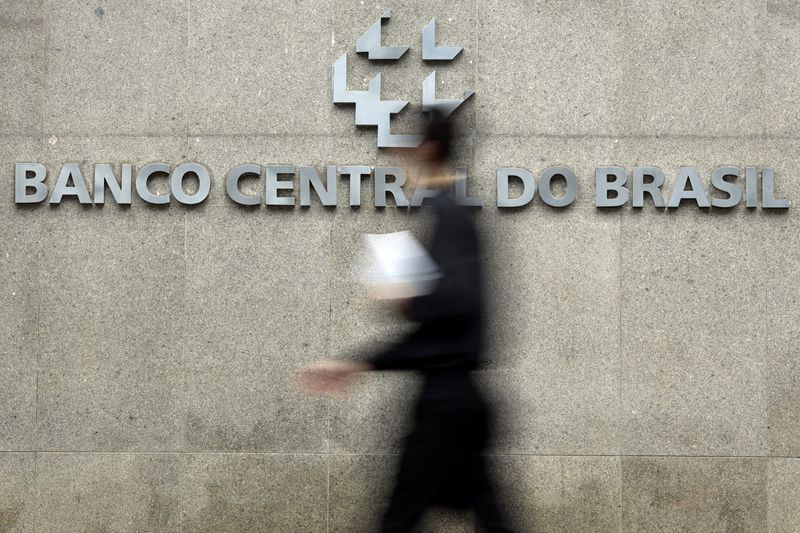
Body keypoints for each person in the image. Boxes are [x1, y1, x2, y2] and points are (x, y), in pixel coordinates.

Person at [296, 111, 514, 533]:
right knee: (485, 516)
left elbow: (458, 306)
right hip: (457, 400)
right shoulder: (450, 214)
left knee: (399, 519)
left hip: (446, 405)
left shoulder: (450, 215)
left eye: (411, 150)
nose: (404, 164)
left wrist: (407, 299)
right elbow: (451, 321)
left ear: (430, 150)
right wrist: (359, 362)